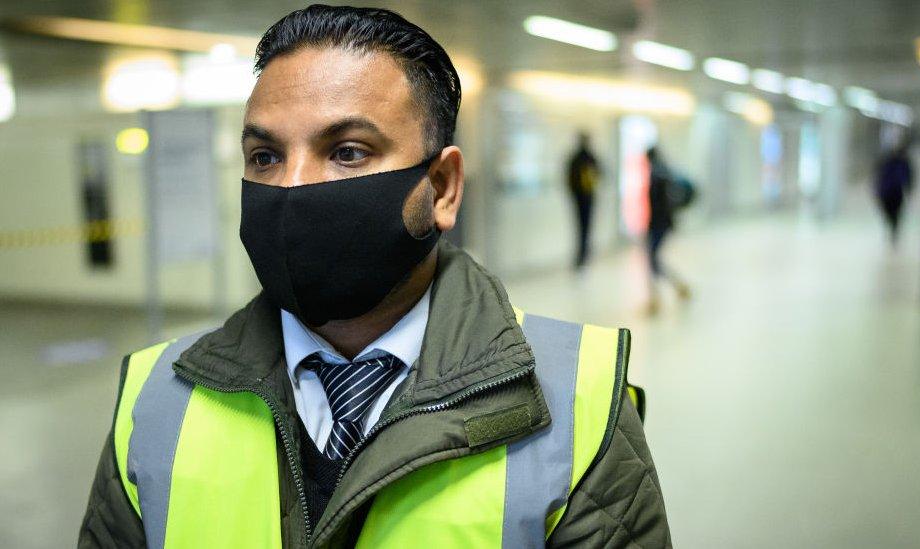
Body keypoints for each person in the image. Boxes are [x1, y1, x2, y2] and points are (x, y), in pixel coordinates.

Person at [78, 5, 671, 548]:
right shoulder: (157, 401)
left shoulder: (574, 405)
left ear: (441, 188)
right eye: (266, 157)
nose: (291, 188)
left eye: (349, 152)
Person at [646, 146, 690, 314]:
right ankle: (675, 288)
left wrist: (652, 224)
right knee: (653, 260)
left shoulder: (657, 175)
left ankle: (657, 298)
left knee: (653, 260)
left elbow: (658, 205)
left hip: (658, 224)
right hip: (663, 223)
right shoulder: (665, 172)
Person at [566, 132, 600, 268]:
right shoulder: (590, 157)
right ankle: (583, 256)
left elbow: (569, 178)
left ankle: (582, 256)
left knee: (581, 227)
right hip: (587, 197)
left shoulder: (576, 157)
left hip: (580, 197)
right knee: (585, 227)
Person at [874, 140, 914, 246]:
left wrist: (909, 189)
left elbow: (908, 177)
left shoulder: (903, 163)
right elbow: (878, 176)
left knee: (895, 212)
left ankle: (893, 230)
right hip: (886, 191)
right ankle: (892, 227)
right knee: (889, 212)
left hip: (896, 191)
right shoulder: (885, 162)